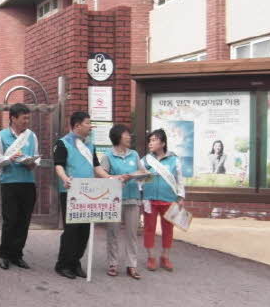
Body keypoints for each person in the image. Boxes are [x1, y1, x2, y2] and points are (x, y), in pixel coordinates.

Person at [53, 111, 117, 279]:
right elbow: (58, 165)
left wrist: (110, 178)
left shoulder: (90, 144)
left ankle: (75, 262)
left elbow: (97, 167)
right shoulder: (63, 143)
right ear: (77, 125)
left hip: (88, 193)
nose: (91, 126)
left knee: (85, 230)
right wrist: (65, 178)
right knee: (71, 230)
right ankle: (63, 264)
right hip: (70, 192)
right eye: (88, 123)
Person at [0, 103, 39, 270]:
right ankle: (4, 254)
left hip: (28, 182)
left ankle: (17, 254)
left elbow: (36, 156)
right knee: (10, 221)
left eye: (28, 118)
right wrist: (10, 158)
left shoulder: (31, 136)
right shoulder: (0, 137)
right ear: (13, 118)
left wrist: (32, 163)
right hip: (9, 183)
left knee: (24, 221)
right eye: (24, 118)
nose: (27, 121)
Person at [100, 124, 147, 279]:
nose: (129, 137)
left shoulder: (134, 154)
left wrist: (131, 175)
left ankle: (131, 265)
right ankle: (112, 263)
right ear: (118, 137)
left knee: (132, 234)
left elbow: (144, 172)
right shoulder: (108, 156)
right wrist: (116, 179)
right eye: (126, 135)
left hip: (133, 198)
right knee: (112, 232)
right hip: (114, 200)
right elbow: (102, 175)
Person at [142, 128, 186, 272]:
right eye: (150, 140)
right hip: (149, 200)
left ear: (163, 143)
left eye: (154, 140)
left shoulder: (174, 160)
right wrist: (141, 193)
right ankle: (151, 257)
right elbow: (139, 178)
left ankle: (165, 257)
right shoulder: (146, 160)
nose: (150, 143)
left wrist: (181, 196)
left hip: (169, 200)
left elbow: (180, 179)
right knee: (149, 228)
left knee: (168, 229)